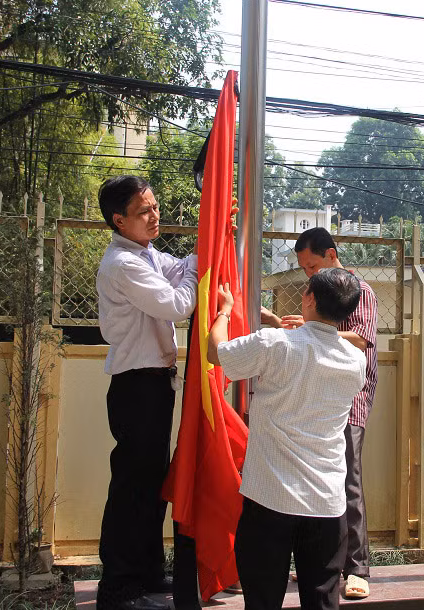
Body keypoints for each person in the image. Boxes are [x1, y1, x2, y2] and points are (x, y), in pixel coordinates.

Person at [210, 268, 367, 610]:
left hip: (270, 497)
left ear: (309, 298)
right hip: (326, 502)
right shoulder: (355, 360)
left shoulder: (275, 343)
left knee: (263, 600)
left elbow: (216, 352)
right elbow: (321, 347)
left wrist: (224, 309)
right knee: (321, 601)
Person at [95, 175, 198, 610]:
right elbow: (178, 304)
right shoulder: (124, 263)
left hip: (152, 383)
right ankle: (119, 585)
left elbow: (179, 267)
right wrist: (195, 270)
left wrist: (204, 249)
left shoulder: (145, 253)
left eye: (155, 207)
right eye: (144, 211)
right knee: (133, 489)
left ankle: (149, 573)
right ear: (119, 220)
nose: (155, 216)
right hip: (136, 386)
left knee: (151, 486)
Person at [261, 227, 378, 600]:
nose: (308, 274)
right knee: (317, 483)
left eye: (312, 266)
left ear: (331, 255)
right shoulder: (323, 293)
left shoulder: (360, 290)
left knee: (349, 483)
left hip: (348, 400)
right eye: (304, 269)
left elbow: (361, 338)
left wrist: (312, 328)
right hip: (319, 399)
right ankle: (322, 562)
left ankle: (357, 568)